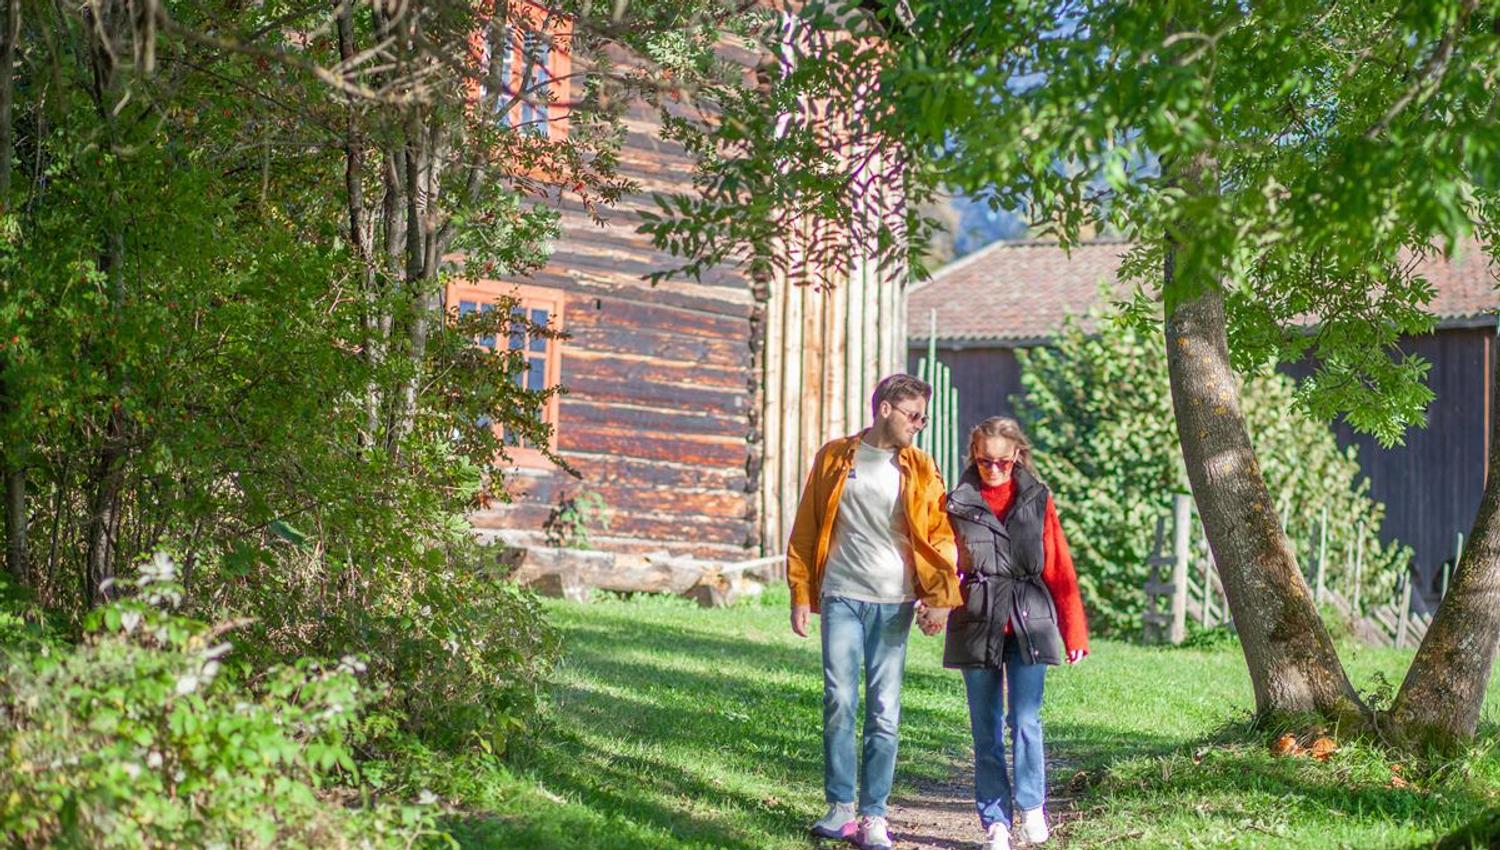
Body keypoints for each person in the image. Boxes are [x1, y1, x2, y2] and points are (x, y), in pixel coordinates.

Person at [786, 373, 962, 850]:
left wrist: (940, 599)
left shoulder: (921, 466)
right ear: (885, 408)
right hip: (842, 593)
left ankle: (874, 816)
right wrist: (801, 593)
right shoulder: (835, 457)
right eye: (914, 415)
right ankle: (840, 807)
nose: (920, 425)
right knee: (839, 699)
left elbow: (941, 535)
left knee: (884, 708)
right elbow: (806, 526)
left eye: (924, 417)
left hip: (895, 601)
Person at [942, 417, 1089, 850]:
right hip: (977, 618)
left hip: (1029, 619)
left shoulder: (1037, 498)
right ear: (974, 456)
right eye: (984, 461)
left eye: (1002, 463)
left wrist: (1073, 631)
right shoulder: (956, 502)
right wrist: (932, 600)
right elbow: (942, 558)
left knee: (1025, 719)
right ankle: (995, 823)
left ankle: (1031, 808)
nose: (993, 470)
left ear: (1017, 457)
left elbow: (1059, 566)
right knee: (984, 727)